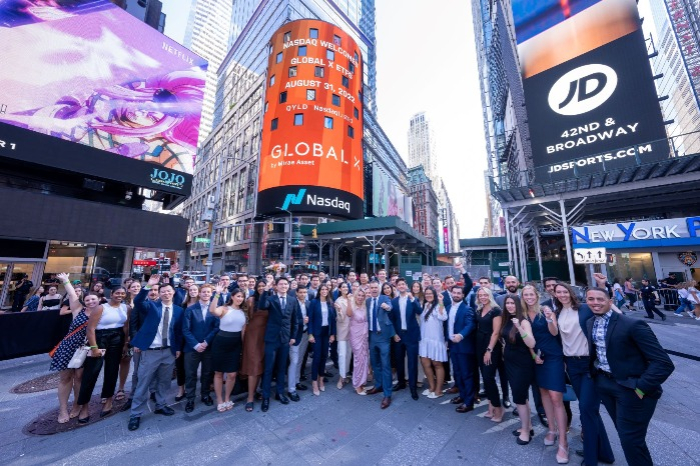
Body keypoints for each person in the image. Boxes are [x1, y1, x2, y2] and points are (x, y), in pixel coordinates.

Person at [585, 287, 675, 466]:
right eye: (591, 299)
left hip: (631, 388)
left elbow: (663, 363)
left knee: (630, 440)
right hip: (605, 384)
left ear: (610, 302)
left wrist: (641, 387)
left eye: (600, 299)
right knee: (627, 436)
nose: (595, 302)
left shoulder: (632, 325)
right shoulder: (590, 322)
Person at [553, 282, 615, 466]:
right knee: (590, 411)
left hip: (588, 365)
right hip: (572, 365)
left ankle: (591, 458)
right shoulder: (557, 313)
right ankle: (605, 453)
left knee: (586, 410)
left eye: (565, 291)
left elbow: (609, 312)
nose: (562, 294)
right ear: (555, 295)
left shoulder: (584, 309)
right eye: (558, 292)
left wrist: (605, 287)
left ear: (571, 292)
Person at [127, 276, 184, 431]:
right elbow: (138, 302)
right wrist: (148, 286)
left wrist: (177, 348)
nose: (166, 294)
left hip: (168, 351)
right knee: (143, 382)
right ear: (159, 294)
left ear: (173, 293)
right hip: (151, 352)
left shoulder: (179, 310)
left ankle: (161, 405)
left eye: (169, 291)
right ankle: (135, 414)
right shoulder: (152, 306)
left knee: (164, 382)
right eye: (163, 291)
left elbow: (178, 331)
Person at [522, 284, 569, 464]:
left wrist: (550, 319)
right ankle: (552, 429)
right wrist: (533, 356)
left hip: (554, 355)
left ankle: (563, 442)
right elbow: (527, 342)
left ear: (537, 295)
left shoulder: (546, 310)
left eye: (531, 294)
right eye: (525, 295)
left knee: (556, 396)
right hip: (537, 358)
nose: (529, 297)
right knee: (543, 394)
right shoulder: (524, 316)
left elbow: (555, 332)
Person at [76, 285, 129, 423]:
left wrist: (125, 344)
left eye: (123, 293)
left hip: (117, 339)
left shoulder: (126, 308)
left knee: (112, 371)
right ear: (111, 293)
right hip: (100, 338)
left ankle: (108, 400)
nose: (120, 295)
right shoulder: (101, 308)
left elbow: (125, 327)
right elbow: (90, 329)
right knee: (91, 373)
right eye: (117, 293)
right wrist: (94, 348)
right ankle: (84, 407)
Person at [49, 273, 93, 423]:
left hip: (85, 349)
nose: (90, 302)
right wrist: (66, 281)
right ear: (84, 301)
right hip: (69, 347)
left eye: (94, 299)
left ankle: (76, 405)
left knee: (80, 378)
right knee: (65, 378)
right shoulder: (77, 310)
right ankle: (62, 410)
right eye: (88, 299)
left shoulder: (100, 313)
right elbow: (72, 294)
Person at [258, 277, 299, 412]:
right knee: (269, 368)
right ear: (276, 286)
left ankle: (279, 393)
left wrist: (293, 336)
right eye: (281, 284)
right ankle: (265, 397)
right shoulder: (271, 299)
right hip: (271, 338)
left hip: (285, 339)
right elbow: (262, 306)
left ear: (289, 286)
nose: (283, 286)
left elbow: (295, 320)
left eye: (286, 284)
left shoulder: (293, 300)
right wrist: (266, 289)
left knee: (282, 367)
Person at [500, 294, 537, 445]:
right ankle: (527, 426)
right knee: (523, 397)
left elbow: (531, 343)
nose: (510, 306)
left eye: (512, 303)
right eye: (507, 303)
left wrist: (520, 328)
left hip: (522, 364)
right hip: (510, 362)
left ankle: (526, 432)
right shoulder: (507, 319)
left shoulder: (523, 321)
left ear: (518, 304)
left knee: (519, 398)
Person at [182, 284, 219, 413]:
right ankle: (190, 399)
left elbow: (216, 327)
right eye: (203, 292)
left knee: (207, 373)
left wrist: (206, 342)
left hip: (208, 347)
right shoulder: (190, 309)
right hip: (192, 348)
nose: (206, 294)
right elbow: (185, 329)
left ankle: (205, 395)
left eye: (208, 292)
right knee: (190, 374)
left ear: (211, 294)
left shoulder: (214, 309)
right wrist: (196, 344)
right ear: (199, 293)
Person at [209, 287, 247, 412]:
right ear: (232, 297)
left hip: (235, 344)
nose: (240, 299)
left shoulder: (244, 312)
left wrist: (242, 348)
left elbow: (243, 331)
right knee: (219, 373)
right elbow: (212, 311)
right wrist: (217, 294)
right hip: (220, 343)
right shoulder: (225, 309)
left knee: (232, 374)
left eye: (242, 297)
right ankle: (219, 399)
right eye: (238, 296)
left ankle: (227, 397)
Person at [474, 287, 504, 422]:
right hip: (479, 345)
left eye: (485, 295)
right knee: (486, 379)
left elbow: (496, 332)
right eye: (480, 295)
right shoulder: (479, 309)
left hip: (490, 347)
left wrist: (489, 350)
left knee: (489, 378)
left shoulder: (496, 310)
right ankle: (491, 407)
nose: (482, 297)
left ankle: (499, 409)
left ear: (489, 295)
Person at [446, 286, 477, 414]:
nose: (457, 294)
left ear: (463, 295)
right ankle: (463, 396)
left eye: (459, 293)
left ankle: (469, 402)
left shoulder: (467, 309)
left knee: (466, 374)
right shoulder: (448, 308)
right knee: (457, 373)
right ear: (451, 293)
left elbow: (470, 325)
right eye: (454, 292)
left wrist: (461, 335)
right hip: (452, 346)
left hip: (464, 347)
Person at [390, 278, 422, 400]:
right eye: (399, 284)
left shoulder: (413, 299)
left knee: (412, 362)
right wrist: (394, 334)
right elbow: (392, 319)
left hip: (411, 335)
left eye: (403, 284)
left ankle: (413, 387)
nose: (401, 286)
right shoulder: (394, 301)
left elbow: (419, 311)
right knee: (399, 360)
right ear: (397, 287)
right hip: (399, 335)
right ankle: (401, 382)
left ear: (406, 286)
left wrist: (413, 299)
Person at [365, 281, 395, 409]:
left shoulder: (384, 298)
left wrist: (386, 307)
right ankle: (378, 385)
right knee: (375, 362)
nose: (373, 289)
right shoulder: (367, 301)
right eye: (371, 288)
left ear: (379, 288)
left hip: (383, 336)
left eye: (375, 287)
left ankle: (387, 394)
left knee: (385, 365)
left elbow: (390, 307)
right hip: (372, 336)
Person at [241, 280, 269, 412]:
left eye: (264, 286)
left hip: (266, 337)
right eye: (260, 286)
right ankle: (250, 398)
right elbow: (245, 319)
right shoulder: (251, 300)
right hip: (252, 336)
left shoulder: (270, 299)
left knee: (262, 364)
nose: (262, 288)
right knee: (253, 365)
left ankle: (257, 390)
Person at [418, 287, 448, 399]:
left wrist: (440, 302)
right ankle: (431, 387)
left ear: (434, 295)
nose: (428, 295)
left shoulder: (438, 305)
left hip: (436, 339)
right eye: (426, 294)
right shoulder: (424, 305)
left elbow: (443, 317)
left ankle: (439, 390)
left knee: (437, 364)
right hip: (425, 339)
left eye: (430, 293)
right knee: (425, 363)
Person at [308, 284, 336, 395]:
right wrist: (310, 334)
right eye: (322, 289)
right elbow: (310, 319)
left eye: (326, 289)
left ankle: (321, 379)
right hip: (317, 333)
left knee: (324, 356)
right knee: (317, 357)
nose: (324, 291)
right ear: (319, 291)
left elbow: (333, 320)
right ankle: (314, 382)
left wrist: (333, 334)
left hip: (326, 332)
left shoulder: (330, 303)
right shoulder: (314, 303)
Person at [287, 285, 310, 401]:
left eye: (305, 292)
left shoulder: (308, 303)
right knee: (294, 361)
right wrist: (302, 320)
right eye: (301, 292)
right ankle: (291, 389)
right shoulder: (292, 303)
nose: (303, 294)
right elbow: (290, 319)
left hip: (305, 334)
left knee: (300, 359)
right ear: (296, 293)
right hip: (295, 336)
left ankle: (296, 382)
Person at [347, 288, 369, 395]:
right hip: (356, 336)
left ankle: (362, 382)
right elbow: (349, 314)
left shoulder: (365, 306)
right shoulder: (352, 306)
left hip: (365, 336)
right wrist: (349, 301)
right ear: (355, 296)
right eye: (358, 295)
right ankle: (357, 385)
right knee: (358, 360)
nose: (360, 297)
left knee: (364, 359)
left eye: (362, 295)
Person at [334, 282, 353, 389]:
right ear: (340, 289)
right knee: (342, 354)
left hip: (352, 330)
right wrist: (340, 311)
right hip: (342, 330)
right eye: (343, 287)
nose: (345, 288)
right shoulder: (338, 301)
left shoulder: (352, 299)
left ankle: (345, 374)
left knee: (348, 354)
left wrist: (351, 301)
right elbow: (340, 319)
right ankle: (341, 377)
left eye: (347, 286)